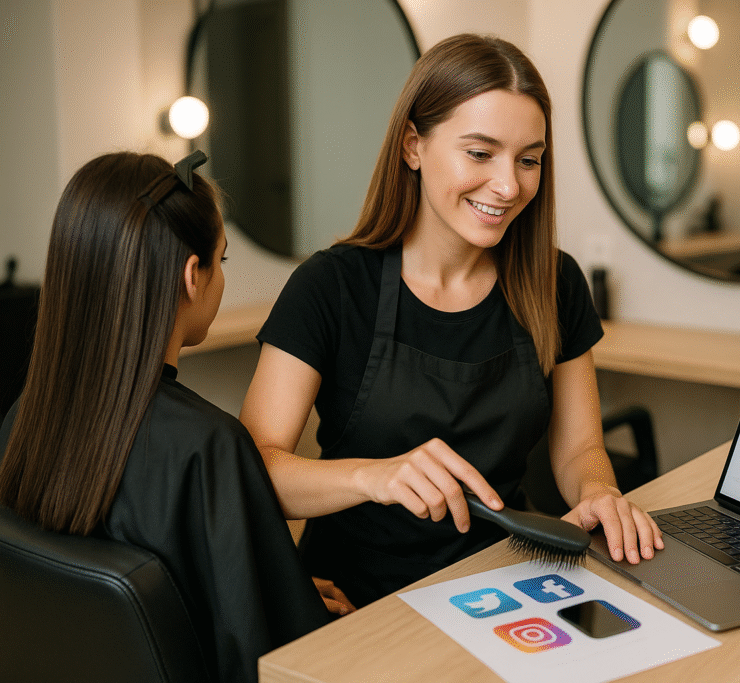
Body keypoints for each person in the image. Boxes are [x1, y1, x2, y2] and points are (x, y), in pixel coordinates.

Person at [240, 33, 664, 609]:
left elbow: (579, 447)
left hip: (504, 582)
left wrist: (599, 490)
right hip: (359, 599)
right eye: (480, 153)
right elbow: (256, 467)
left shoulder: (554, 282)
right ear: (414, 146)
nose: (509, 185)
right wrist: (373, 477)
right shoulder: (332, 287)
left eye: (529, 160)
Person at [0, 151, 340, 683]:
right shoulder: (208, 447)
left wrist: (279, 584)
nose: (220, 278)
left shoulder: (24, 420)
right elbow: (275, 659)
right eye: (221, 261)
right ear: (191, 275)